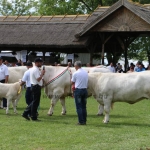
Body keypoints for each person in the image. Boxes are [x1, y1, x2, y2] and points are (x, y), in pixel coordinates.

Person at [71, 61, 88, 125]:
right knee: (84, 106)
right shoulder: (85, 72)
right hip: (85, 90)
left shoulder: (75, 73)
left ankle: (81, 121)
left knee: (79, 107)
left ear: (76, 66)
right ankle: (84, 120)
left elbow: (72, 82)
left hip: (78, 90)